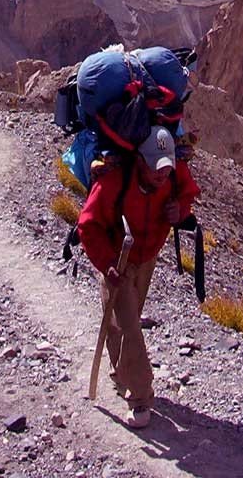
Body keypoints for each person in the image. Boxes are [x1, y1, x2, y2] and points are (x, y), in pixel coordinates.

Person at [77, 125, 200, 429]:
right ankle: (141, 397)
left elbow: (188, 194)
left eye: (166, 169)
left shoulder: (173, 173)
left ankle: (122, 375)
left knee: (121, 324)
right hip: (116, 260)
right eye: (156, 169)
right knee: (131, 327)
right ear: (140, 162)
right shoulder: (113, 181)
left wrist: (179, 209)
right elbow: (88, 226)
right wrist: (107, 265)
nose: (162, 175)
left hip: (146, 257)